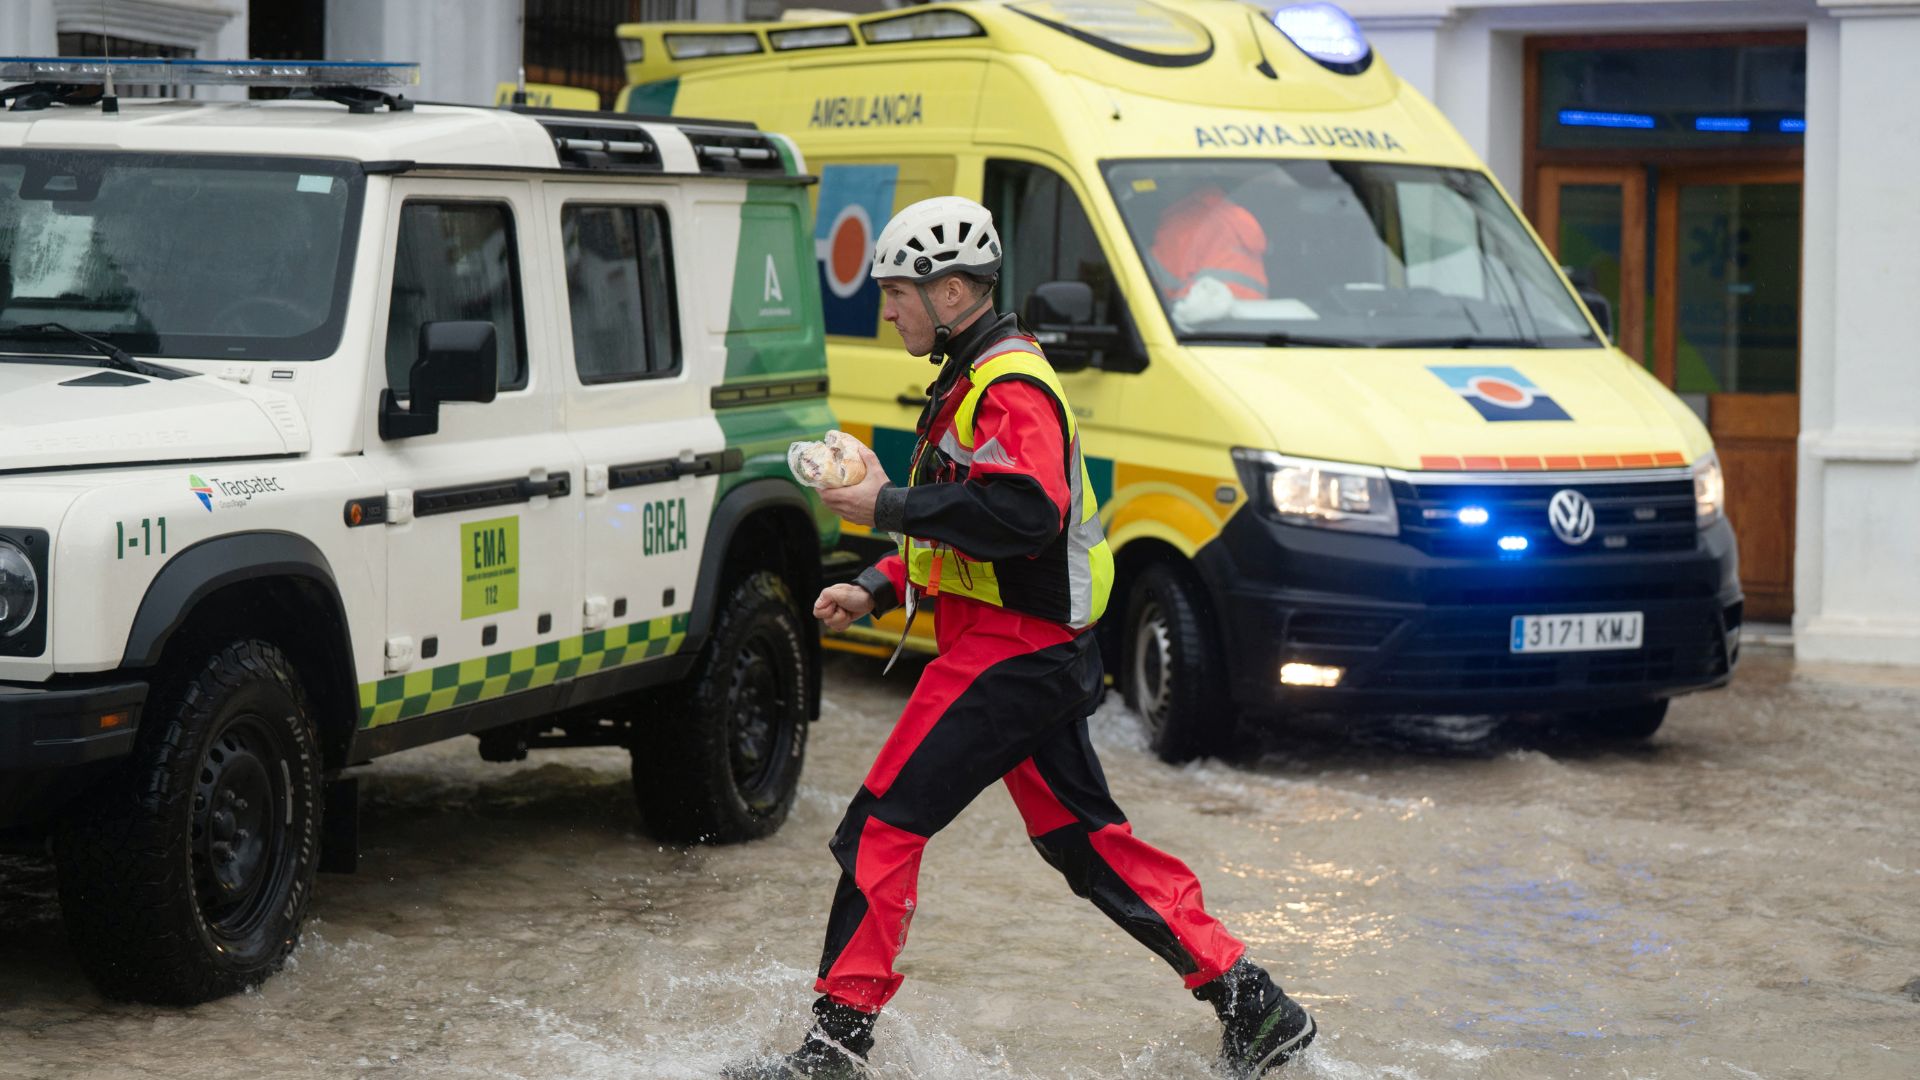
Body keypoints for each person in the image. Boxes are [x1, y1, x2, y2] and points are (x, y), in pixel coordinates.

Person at [729, 196, 1316, 1079]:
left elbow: (1024, 511)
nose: (886, 310)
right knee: (1088, 845)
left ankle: (832, 1050)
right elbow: (971, 535)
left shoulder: (1007, 383)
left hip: (1011, 657)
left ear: (954, 292)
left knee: (878, 831)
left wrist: (882, 505)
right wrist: (877, 584)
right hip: (1029, 651)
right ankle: (1255, 1005)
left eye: (898, 293)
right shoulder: (973, 379)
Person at [1149, 185, 1269, 330]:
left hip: (1194, 331)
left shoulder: (1182, 225)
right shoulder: (1236, 220)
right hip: (1255, 334)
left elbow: (1150, 291)